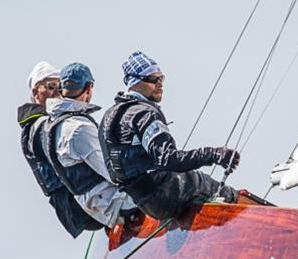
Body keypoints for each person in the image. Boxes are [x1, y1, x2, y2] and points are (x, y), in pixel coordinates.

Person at [98, 51, 240, 220]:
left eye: (161, 78)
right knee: (216, 189)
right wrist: (214, 154)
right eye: (152, 79)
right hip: (163, 197)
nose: (160, 84)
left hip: (143, 201)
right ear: (134, 82)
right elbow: (169, 159)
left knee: (193, 182)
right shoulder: (144, 114)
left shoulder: (110, 116)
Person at [42, 63, 137, 229]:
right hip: (115, 203)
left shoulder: (53, 125)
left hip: (96, 206)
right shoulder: (79, 128)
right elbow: (113, 172)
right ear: (88, 87)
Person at [17, 62, 103, 237]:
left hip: (81, 201)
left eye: (61, 86)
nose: (58, 92)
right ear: (35, 92)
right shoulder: (40, 126)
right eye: (51, 87)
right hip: (75, 203)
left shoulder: (56, 121)